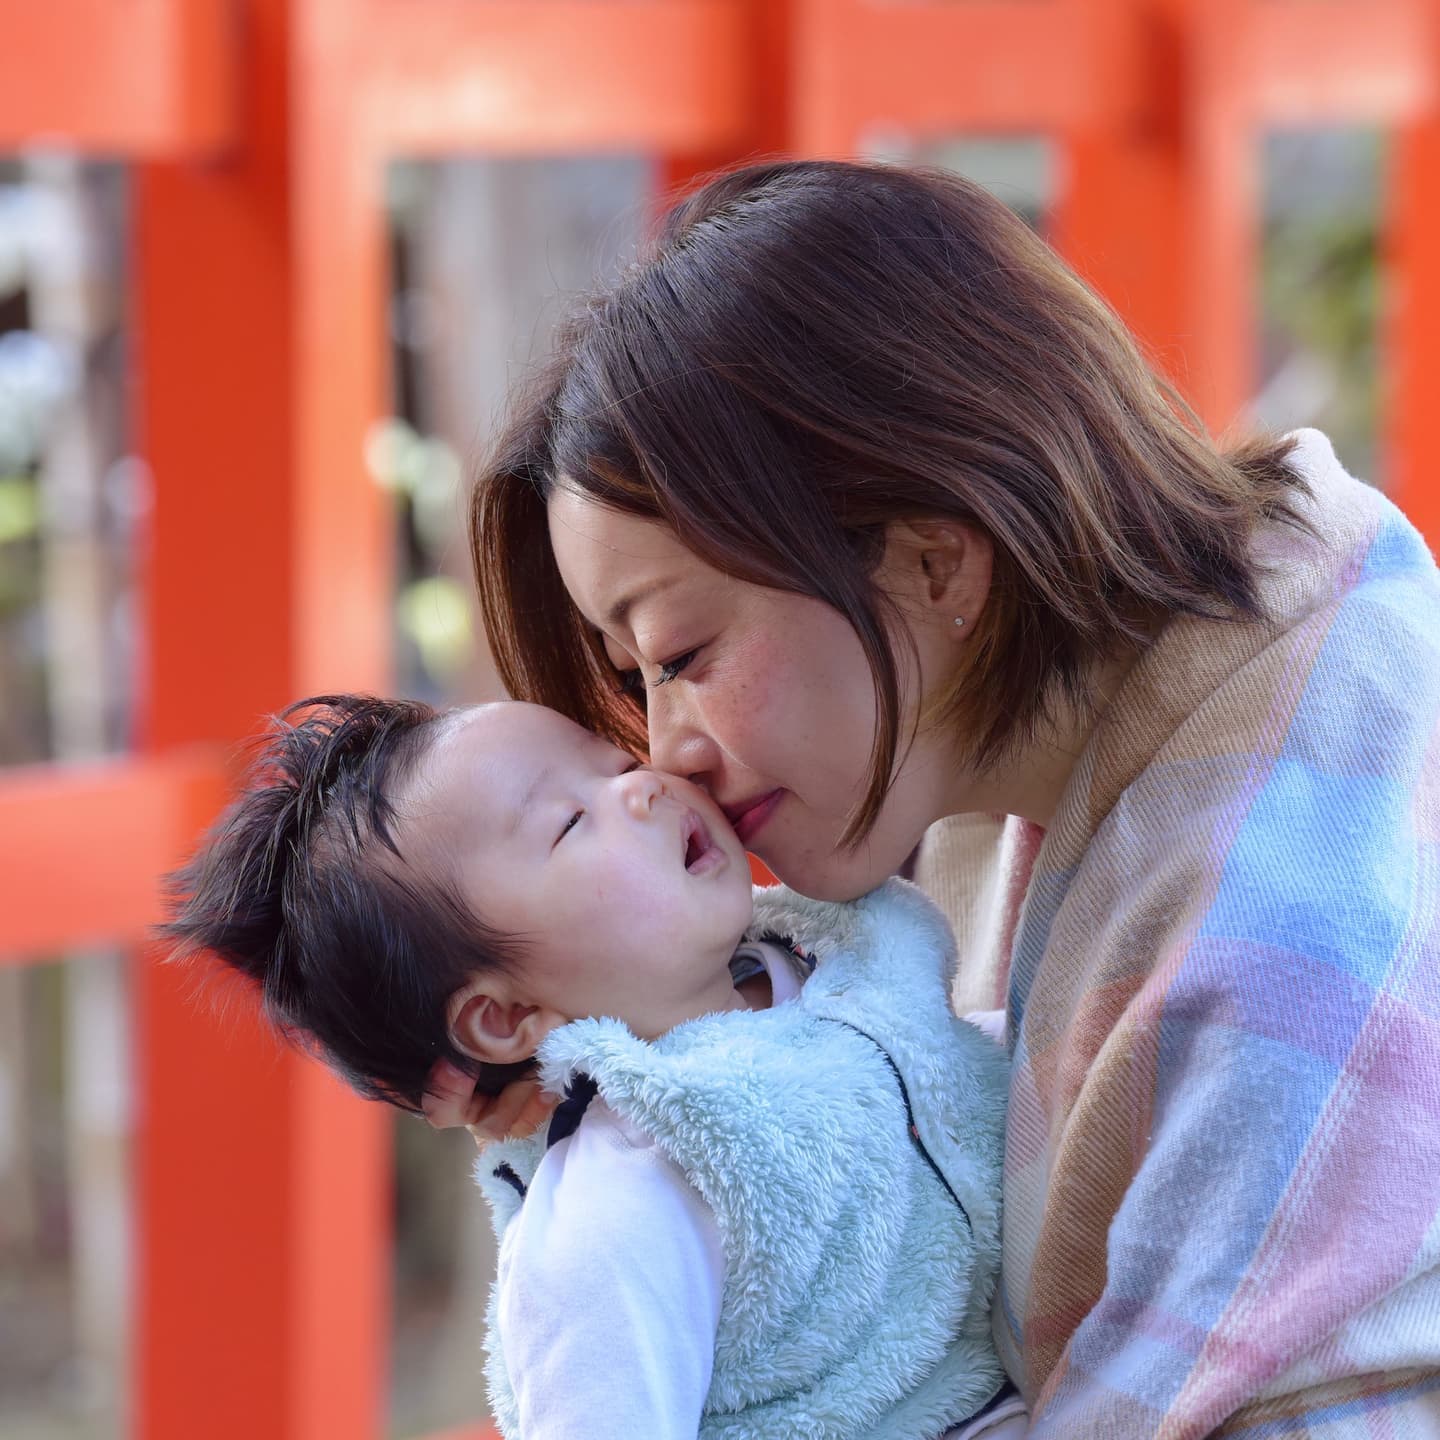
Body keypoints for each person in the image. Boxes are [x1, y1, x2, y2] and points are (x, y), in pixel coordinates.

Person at [432, 159, 1440, 1434]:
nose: (662, 753)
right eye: (639, 681)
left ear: (930, 559)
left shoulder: (1284, 903)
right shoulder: (1045, 757)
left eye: (681, 656)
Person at [161, 693, 1022, 1440]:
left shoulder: (827, 957)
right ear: (502, 1018)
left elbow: (957, 1078)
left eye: (612, 762)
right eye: (571, 821)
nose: (644, 785)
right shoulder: (628, 1191)